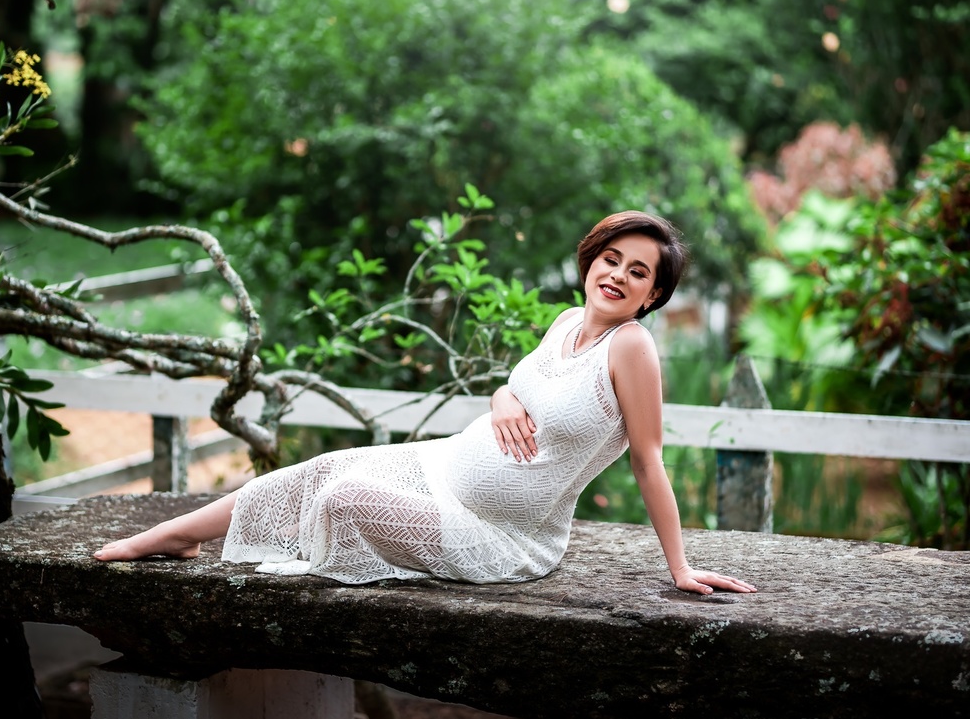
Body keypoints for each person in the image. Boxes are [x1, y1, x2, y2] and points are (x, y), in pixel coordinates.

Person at [95, 211, 756, 596]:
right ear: (589, 262)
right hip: (443, 466)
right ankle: (172, 537)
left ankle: (196, 539)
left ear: (651, 296)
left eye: (637, 272)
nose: (617, 274)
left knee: (343, 497)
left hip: (502, 535)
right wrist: (499, 399)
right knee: (317, 470)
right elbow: (520, 390)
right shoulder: (564, 321)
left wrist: (681, 566)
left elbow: (648, 458)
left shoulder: (632, 346)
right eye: (610, 259)